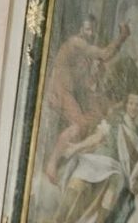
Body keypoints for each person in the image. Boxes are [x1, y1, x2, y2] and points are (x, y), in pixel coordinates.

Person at [37, 92, 138, 223]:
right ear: (126, 105)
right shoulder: (114, 121)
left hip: (116, 167)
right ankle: (60, 220)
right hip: (98, 159)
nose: (133, 107)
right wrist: (77, 147)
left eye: (137, 105)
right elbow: (97, 138)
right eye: (131, 103)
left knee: (113, 185)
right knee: (78, 182)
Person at [43, 15, 131, 183]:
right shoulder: (76, 42)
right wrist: (122, 37)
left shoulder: (84, 58)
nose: (90, 33)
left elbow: (90, 78)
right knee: (80, 125)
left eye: (92, 30)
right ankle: (51, 164)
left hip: (68, 92)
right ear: (80, 30)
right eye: (87, 29)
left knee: (89, 122)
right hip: (60, 90)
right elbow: (104, 54)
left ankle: (66, 162)